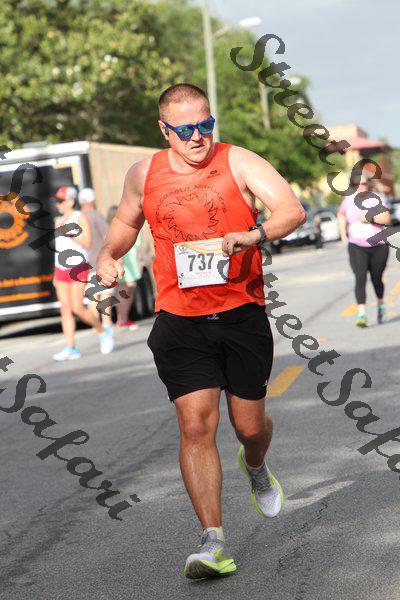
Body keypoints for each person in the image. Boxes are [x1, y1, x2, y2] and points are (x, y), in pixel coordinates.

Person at [97, 84, 305, 579]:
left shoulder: (239, 161)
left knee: (249, 428)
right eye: (185, 129)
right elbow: (126, 222)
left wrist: (253, 235)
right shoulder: (143, 173)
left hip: (241, 315)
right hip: (180, 320)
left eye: (205, 125)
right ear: (164, 130)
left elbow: (291, 210)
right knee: (195, 427)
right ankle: (213, 541)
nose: (197, 136)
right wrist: (107, 254)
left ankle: (255, 464)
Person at [52, 186, 114, 361]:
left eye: (61, 201)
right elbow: (58, 247)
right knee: (65, 309)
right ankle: (71, 347)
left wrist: (69, 233)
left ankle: (102, 331)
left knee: (77, 308)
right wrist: (55, 273)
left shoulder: (80, 217)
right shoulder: (58, 220)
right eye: (57, 201)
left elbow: (87, 243)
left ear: (71, 201)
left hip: (77, 267)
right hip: (60, 268)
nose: (58, 204)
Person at [338, 175, 391, 327]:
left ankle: (380, 304)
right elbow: (341, 215)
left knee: (376, 279)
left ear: (368, 184)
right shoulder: (348, 201)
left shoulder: (377, 198)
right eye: (357, 183)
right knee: (360, 278)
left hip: (378, 245)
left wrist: (370, 218)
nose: (361, 186)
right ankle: (361, 314)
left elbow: (387, 219)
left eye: (364, 183)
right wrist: (343, 235)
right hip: (356, 245)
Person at [79, 187, 115, 347]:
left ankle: (99, 331)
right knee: (105, 297)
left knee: (92, 300)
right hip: (99, 263)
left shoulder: (77, 218)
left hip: (84, 265)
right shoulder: (96, 215)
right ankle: (107, 329)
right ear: (92, 200)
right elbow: (107, 237)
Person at [106, 205, 140, 331]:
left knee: (130, 289)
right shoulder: (113, 230)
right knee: (124, 291)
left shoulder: (127, 227)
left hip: (131, 263)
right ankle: (122, 319)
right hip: (123, 264)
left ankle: (124, 318)